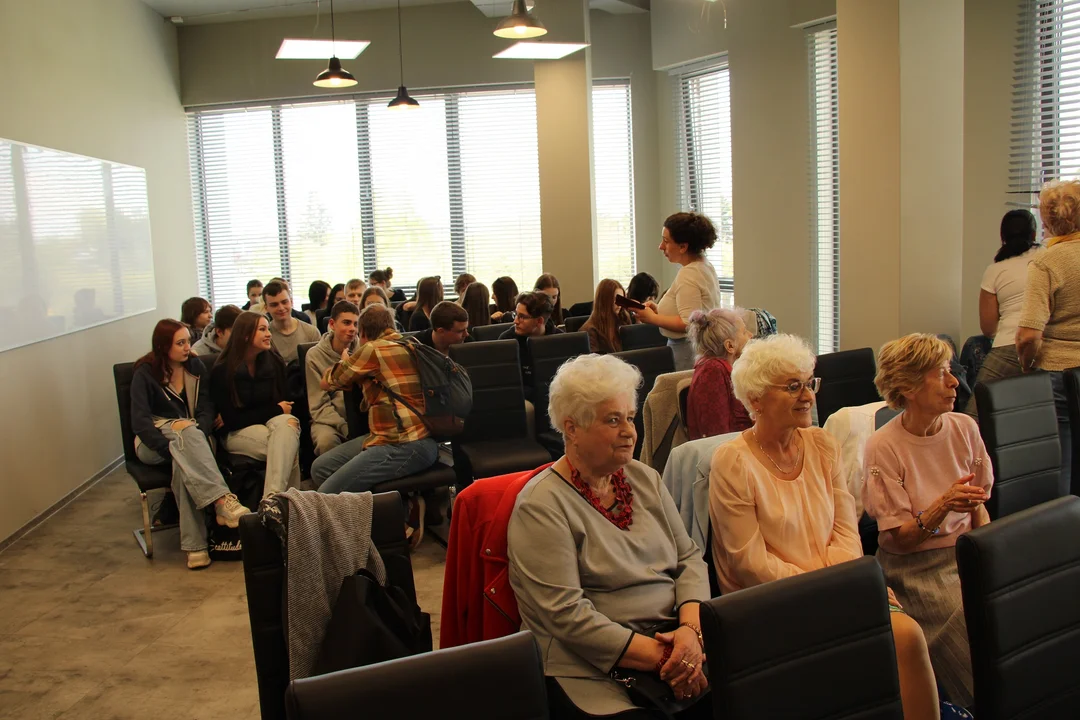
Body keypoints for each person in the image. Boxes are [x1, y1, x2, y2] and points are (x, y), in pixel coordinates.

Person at [708, 333, 946, 718]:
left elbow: (847, 530)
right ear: (755, 400)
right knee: (870, 648)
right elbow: (747, 562)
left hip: (837, 581)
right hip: (773, 599)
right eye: (792, 387)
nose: (808, 395)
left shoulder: (823, 445)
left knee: (907, 636)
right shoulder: (732, 461)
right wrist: (824, 588)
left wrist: (837, 583)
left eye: (809, 383)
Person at [508, 354, 711, 718]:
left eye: (630, 418)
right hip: (591, 667)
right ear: (571, 428)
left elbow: (688, 559)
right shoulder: (540, 506)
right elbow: (567, 616)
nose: (630, 431)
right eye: (612, 420)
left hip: (674, 639)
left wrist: (691, 632)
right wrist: (669, 659)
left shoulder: (643, 478)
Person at [862, 334, 993, 709]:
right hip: (914, 570)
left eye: (951, 372)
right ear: (908, 387)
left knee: (1012, 605)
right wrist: (944, 504)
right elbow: (899, 541)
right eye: (942, 374)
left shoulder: (964, 429)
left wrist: (990, 564)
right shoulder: (884, 446)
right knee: (973, 625)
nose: (955, 382)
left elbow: (978, 507)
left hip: (966, 552)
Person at [131, 319, 250, 569]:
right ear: (164, 347)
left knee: (183, 464)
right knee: (184, 442)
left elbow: (207, 407)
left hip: (194, 440)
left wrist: (196, 432)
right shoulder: (145, 373)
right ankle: (221, 501)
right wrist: (171, 446)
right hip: (153, 443)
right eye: (181, 343)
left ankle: (196, 548)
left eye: (187, 341)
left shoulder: (195, 366)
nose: (188, 347)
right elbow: (140, 421)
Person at [312, 305, 439, 522]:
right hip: (418, 439)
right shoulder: (412, 343)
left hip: (402, 444)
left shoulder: (372, 350)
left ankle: (396, 518)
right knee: (321, 468)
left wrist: (345, 361)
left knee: (324, 496)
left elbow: (327, 381)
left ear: (363, 334)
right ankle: (395, 510)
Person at [1018, 179, 1080, 496]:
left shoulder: (1047, 262)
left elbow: (1029, 334)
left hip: (1058, 371)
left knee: (1061, 463)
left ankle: (1064, 537)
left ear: (1046, 221)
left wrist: (1026, 365)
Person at [211, 311, 301, 498]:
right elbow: (232, 421)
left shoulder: (273, 362)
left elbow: (287, 407)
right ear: (245, 335)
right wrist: (275, 409)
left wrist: (277, 410)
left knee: (289, 423)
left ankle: (272, 503)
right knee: (288, 449)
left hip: (269, 426)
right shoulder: (223, 370)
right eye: (262, 329)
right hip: (236, 433)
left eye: (268, 329)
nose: (269, 334)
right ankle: (285, 506)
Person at [963, 210, 1041, 418]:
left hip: (1011, 345)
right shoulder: (1049, 258)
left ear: (1003, 237)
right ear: (1034, 235)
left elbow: (988, 328)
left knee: (974, 417)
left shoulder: (995, 270)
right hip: (1050, 343)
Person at [631, 213, 722, 371]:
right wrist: (659, 311)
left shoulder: (689, 274)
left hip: (686, 351)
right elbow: (694, 311)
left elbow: (689, 323)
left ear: (683, 247)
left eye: (666, 241)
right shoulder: (704, 266)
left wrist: (652, 318)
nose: (661, 246)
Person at [685, 308, 753, 439]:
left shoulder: (727, 368)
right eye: (744, 332)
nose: (750, 335)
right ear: (730, 346)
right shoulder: (712, 371)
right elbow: (716, 435)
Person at [306, 301, 361, 456]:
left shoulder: (363, 349)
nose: (352, 329)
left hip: (360, 416)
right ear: (332, 324)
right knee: (326, 442)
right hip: (329, 420)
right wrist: (344, 427)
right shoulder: (314, 356)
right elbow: (319, 405)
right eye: (346, 323)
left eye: (355, 324)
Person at [500, 291, 564, 399]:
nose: (515, 321)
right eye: (515, 314)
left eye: (522, 317)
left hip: (557, 396)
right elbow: (506, 384)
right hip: (522, 398)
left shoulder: (561, 340)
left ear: (539, 321)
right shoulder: (507, 341)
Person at [263, 280, 320, 364]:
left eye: (284, 302)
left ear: (291, 302)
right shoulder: (265, 336)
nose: (281, 308)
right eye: (274, 305)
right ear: (266, 308)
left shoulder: (311, 332)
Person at [580, 279, 634, 354]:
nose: (619, 304)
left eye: (621, 299)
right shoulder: (590, 332)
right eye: (615, 299)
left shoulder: (623, 321)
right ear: (604, 301)